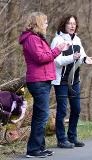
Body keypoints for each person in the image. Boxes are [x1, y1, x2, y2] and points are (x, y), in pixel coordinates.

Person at [19, 12, 68, 158]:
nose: (47, 24)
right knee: (42, 115)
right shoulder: (32, 39)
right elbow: (41, 58)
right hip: (38, 81)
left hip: (43, 80)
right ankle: (33, 150)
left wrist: (57, 50)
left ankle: (39, 147)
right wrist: (58, 49)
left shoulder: (37, 38)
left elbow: (45, 57)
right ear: (39, 23)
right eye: (45, 22)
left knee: (40, 115)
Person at [51, 15, 92, 148]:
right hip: (61, 82)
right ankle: (61, 139)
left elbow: (81, 55)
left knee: (76, 109)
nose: (72, 26)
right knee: (62, 110)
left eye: (74, 23)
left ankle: (72, 137)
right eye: (69, 23)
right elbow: (56, 61)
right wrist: (72, 57)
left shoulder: (77, 40)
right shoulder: (57, 40)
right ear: (64, 24)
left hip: (74, 80)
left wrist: (85, 59)